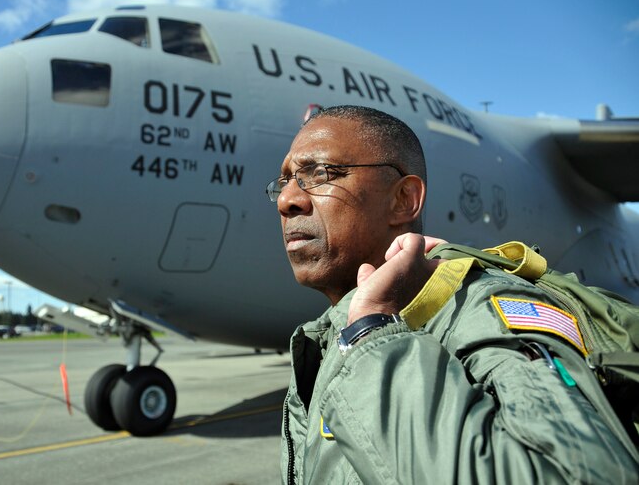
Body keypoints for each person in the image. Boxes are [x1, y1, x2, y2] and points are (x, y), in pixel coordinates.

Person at [267, 105, 639, 484]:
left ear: (404, 199)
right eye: (283, 182)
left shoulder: (477, 311)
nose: (287, 200)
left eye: (319, 173)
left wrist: (372, 336)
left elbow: (578, 475)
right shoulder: (327, 339)